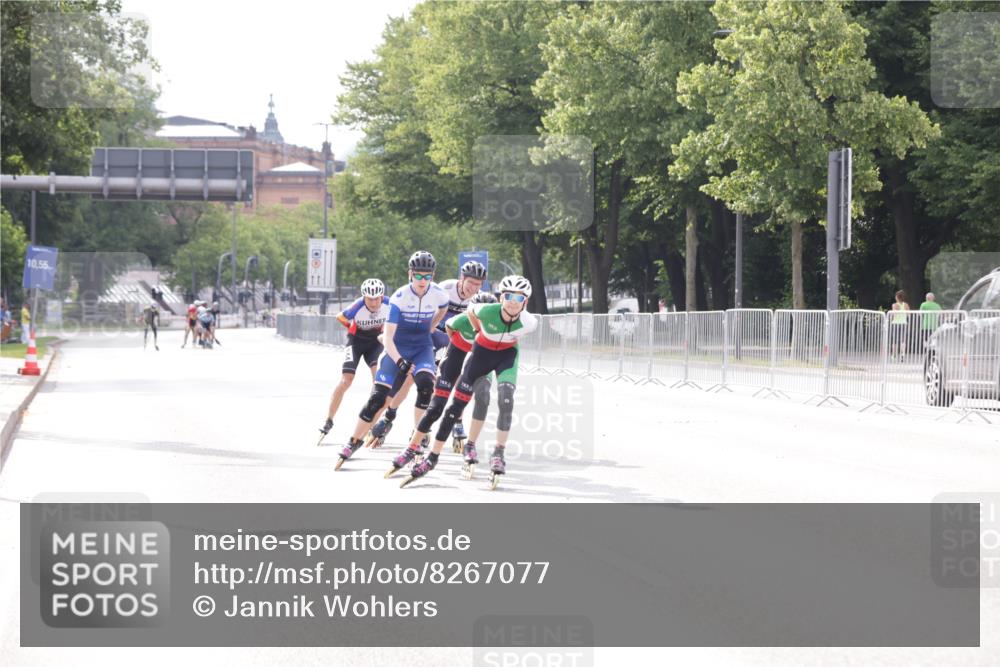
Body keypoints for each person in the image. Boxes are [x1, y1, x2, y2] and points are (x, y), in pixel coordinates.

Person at [400, 275, 537, 489]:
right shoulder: (485, 311)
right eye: (508, 296)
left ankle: (498, 453)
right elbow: (470, 312)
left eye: (518, 298)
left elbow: (517, 335)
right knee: (454, 408)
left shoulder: (530, 322)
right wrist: (478, 331)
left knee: (506, 400)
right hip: (480, 355)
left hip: (506, 357)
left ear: (525, 302)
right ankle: (432, 458)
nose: (512, 301)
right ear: (501, 297)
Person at [335, 251, 449, 470]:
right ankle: (353, 441)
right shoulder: (399, 297)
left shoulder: (438, 294)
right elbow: (387, 337)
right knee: (377, 398)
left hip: (423, 347)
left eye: (427, 276)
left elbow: (444, 308)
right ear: (410, 274)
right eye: (418, 276)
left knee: (426, 386)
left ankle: (417, 441)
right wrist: (399, 361)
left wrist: (432, 326)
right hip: (397, 347)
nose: (423, 281)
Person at [366, 260, 487, 448]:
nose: (473, 288)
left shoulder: (478, 299)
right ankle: (389, 415)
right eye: (471, 282)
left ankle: (456, 422)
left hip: (453, 339)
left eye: (478, 285)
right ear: (462, 278)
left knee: (453, 378)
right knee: (409, 379)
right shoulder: (445, 288)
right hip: (432, 335)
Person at [385, 291, 497, 478]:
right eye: (477, 314)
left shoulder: (496, 327)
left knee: (483, 396)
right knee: (436, 406)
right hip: (456, 357)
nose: (481, 319)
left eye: (485, 314)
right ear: (471, 312)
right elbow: (446, 335)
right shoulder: (459, 321)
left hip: (479, 361)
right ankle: (413, 446)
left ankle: (470, 445)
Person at [317, 278, 390, 441]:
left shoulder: (389, 304)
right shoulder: (357, 306)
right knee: (346, 381)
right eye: (370, 298)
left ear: (382, 296)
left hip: (375, 342)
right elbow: (340, 317)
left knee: (378, 381)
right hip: (356, 342)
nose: (373, 302)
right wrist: (351, 328)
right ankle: (329, 419)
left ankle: (373, 421)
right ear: (364, 296)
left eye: (377, 298)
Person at [890, 290, 910, 362]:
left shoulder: (894, 305)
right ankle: (903, 355)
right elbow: (908, 314)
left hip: (895, 323)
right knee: (903, 340)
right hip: (904, 323)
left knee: (894, 341)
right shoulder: (906, 305)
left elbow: (893, 314)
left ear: (897, 297)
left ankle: (894, 356)